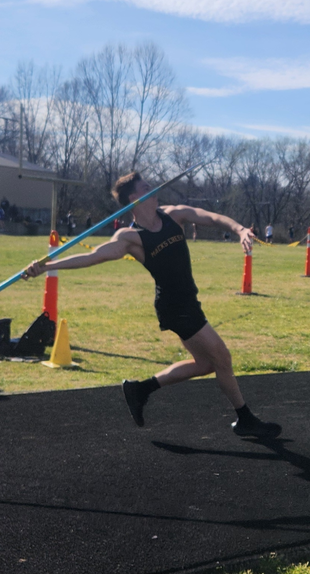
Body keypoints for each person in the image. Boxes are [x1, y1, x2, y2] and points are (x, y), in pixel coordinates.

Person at [24, 171, 281, 438]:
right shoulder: (130, 238)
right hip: (175, 305)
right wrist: (46, 266)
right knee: (222, 357)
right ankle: (245, 419)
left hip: (188, 300)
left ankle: (140, 390)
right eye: (147, 187)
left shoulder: (173, 215)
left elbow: (211, 217)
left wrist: (239, 229)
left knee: (205, 364)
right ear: (135, 198)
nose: (154, 188)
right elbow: (93, 256)